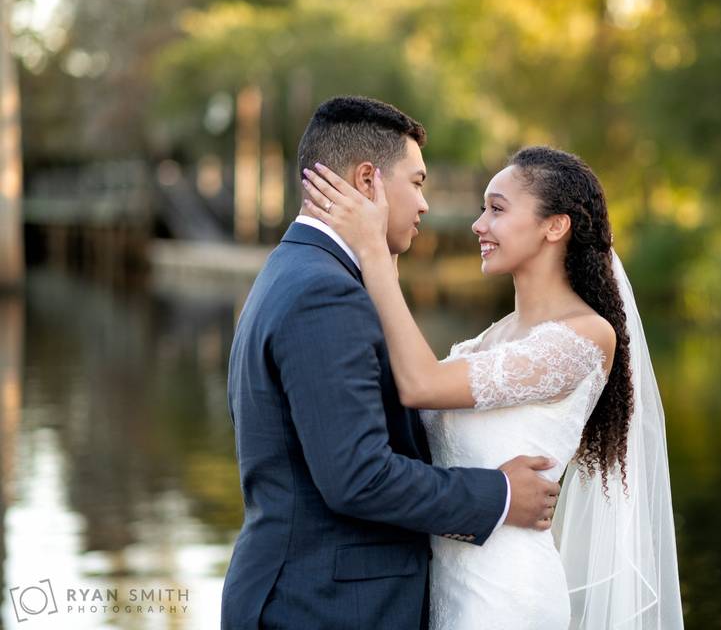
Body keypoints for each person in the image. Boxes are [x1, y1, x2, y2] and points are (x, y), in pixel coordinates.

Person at [301, 145, 684, 629]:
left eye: (497, 209)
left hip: (508, 595)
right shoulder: (488, 339)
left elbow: (420, 384)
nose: (478, 225)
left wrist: (375, 249)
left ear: (555, 226)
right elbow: (403, 392)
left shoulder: (585, 337)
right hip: (445, 588)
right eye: (483, 209)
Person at [220, 96, 562, 630]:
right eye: (418, 182)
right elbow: (358, 476)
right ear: (367, 181)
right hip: (322, 607)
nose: (425, 205)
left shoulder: (297, 269)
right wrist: (498, 495)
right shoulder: (324, 292)